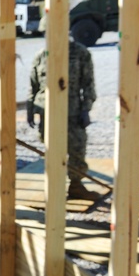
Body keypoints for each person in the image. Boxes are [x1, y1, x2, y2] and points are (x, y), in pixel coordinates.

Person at [28, 37, 99, 201]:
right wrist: (31, 109)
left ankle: (76, 186)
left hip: (72, 113)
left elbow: (89, 84)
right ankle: (54, 189)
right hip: (48, 114)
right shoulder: (41, 55)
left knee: (77, 149)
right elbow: (34, 85)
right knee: (51, 152)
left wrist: (86, 109)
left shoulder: (80, 52)